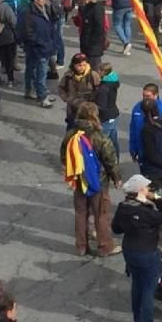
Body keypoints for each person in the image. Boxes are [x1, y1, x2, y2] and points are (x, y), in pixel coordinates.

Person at [60, 101, 121, 257]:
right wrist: (116, 177)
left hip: (79, 179)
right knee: (101, 214)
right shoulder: (99, 137)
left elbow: (63, 156)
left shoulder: (71, 135)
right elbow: (110, 160)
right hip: (97, 181)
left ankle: (81, 246)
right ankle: (105, 246)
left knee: (81, 213)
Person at [112, 174, 162, 322]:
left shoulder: (123, 207)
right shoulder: (145, 211)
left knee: (137, 285)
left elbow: (116, 229)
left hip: (129, 251)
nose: (149, 189)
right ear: (141, 190)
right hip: (147, 252)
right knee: (148, 291)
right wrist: (157, 199)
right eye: (147, 187)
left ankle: (137, 318)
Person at [58, 52, 100, 127]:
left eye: (84, 65)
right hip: (72, 108)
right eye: (79, 65)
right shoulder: (68, 76)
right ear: (74, 65)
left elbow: (99, 90)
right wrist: (67, 99)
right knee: (71, 128)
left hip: (88, 110)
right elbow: (61, 88)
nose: (82, 67)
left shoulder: (93, 75)